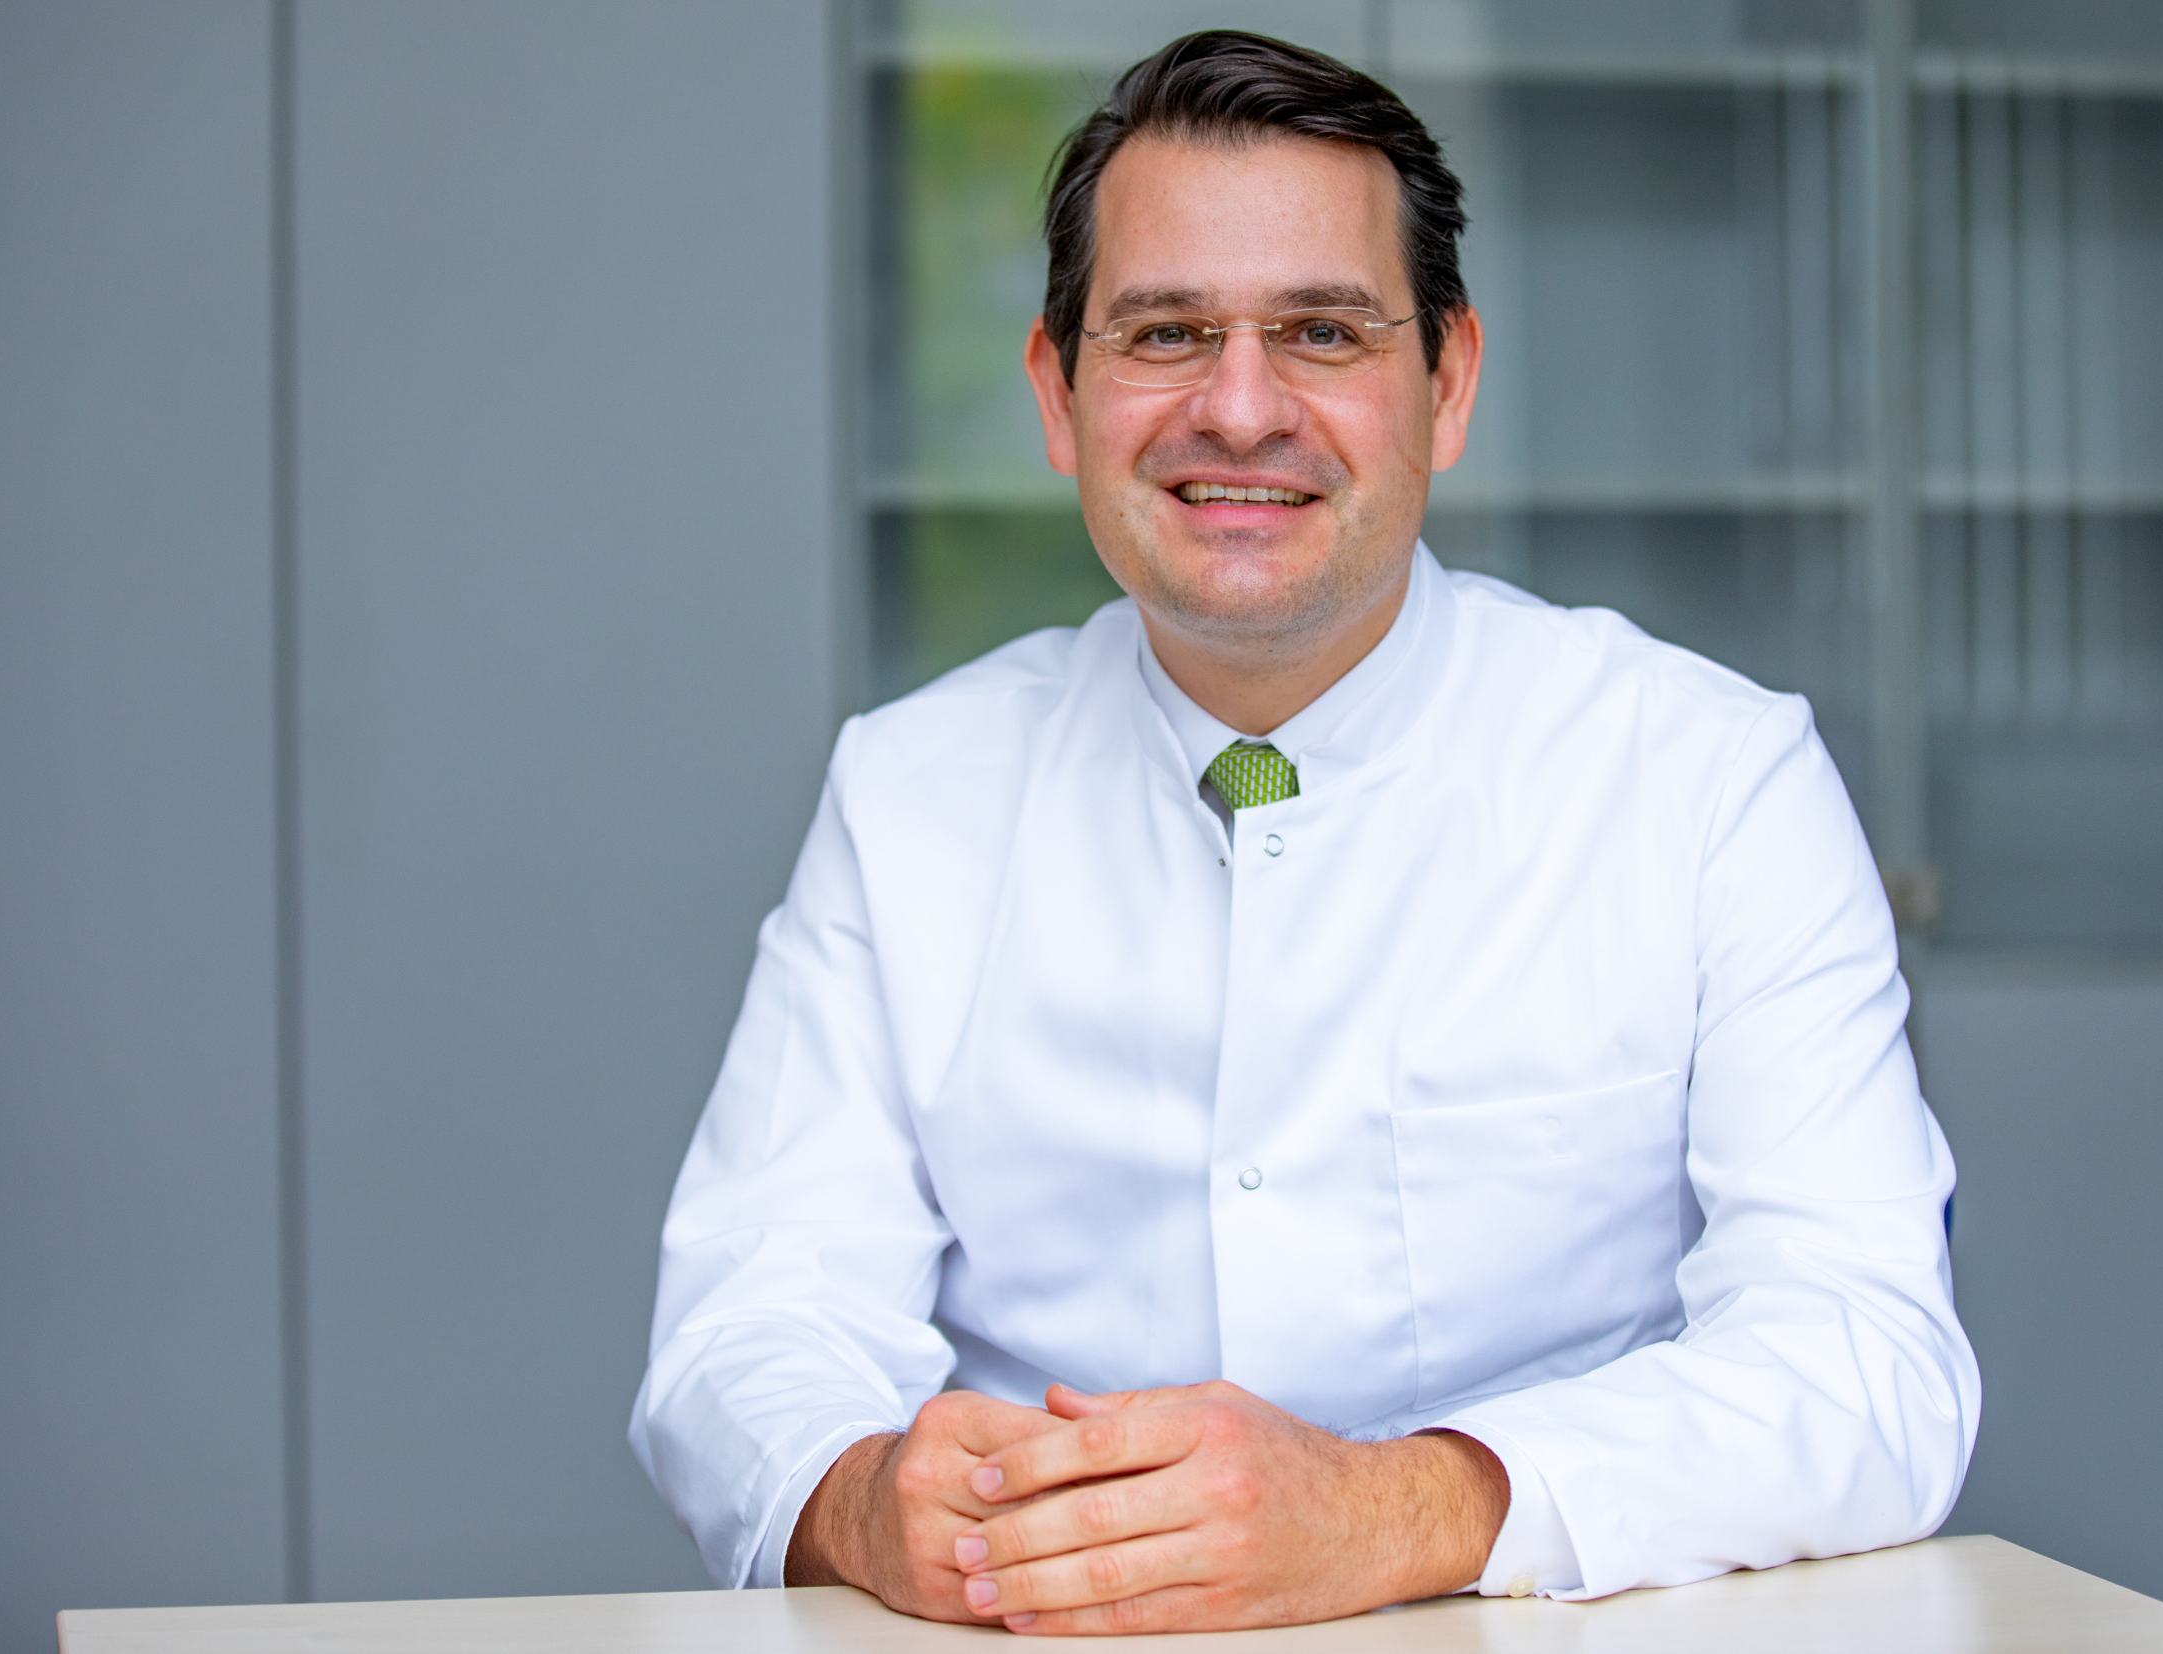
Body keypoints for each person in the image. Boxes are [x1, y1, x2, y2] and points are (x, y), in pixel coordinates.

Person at [631, 29, 1977, 1637]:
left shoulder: (1709, 780)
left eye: (1324, 332)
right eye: (1167, 331)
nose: (1242, 408)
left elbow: (1871, 1359)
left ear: (1450, 383)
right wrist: (863, 1495)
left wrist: (1401, 1505)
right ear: (1060, 396)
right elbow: (748, 1317)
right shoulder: (910, 794)